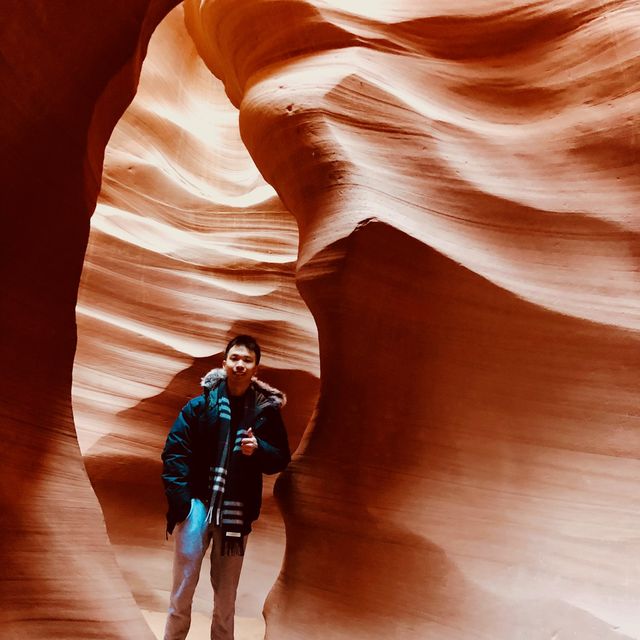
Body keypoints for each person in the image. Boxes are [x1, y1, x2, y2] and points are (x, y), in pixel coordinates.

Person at [161, 334, 291, 640]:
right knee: (182, 590)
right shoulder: (200, 406)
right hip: (196, 506)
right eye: (235, 358)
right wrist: (182, 503)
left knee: (226, 598)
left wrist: (259, 449)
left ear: (256, 368)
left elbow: (280, 458)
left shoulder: (265, 413)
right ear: (224, 363)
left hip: (235, 514)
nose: (240, 365)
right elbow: (174, 452)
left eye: (247, 360)